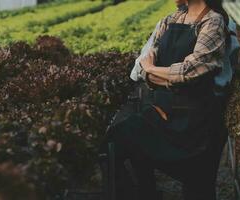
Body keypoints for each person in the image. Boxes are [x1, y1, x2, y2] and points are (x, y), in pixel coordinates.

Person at [99, 0, 232, 199]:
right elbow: (143, 67)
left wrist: (154, 70)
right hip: (163, 113)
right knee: (114, 142)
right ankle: (143, 192)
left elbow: (191, 71)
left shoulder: (213, 22)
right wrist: (162, 75)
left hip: (194, 125)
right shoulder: (171, 19)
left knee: (198, 189)